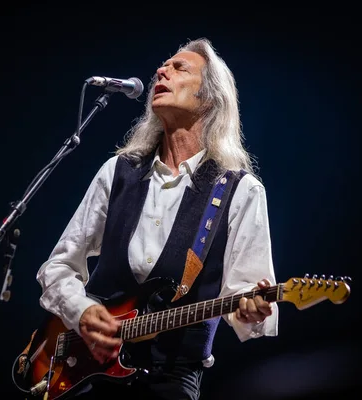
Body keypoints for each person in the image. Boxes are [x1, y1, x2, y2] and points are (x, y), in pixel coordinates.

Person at [36, 37, 278, 400]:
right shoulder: (118, 172)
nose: (161, 71)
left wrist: (252, 311)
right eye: (162, 67)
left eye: (180, 68)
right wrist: (82, 311)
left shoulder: (240, 191)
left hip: (171, 381)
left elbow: (246, 299)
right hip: (88, 374)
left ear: (210, 98)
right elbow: (57, 267)